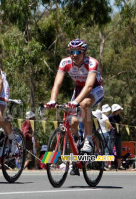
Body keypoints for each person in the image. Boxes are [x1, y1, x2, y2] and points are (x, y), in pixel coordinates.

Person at [46, 39, 104, 175]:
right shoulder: (65, 63)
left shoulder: (91, 62)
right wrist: (52, 99)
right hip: (78, 89)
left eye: (77, 52)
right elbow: (57, 84)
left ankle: (89, 140)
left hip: (95, 89)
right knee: (72, 122)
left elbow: (89, 86)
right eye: (71, 52)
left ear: (84, 53)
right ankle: (76, 156)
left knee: (84, 104)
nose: (74, 55)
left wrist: (76, 102)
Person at [108, 104, 124, 170]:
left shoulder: (118, 116)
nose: (119, 111)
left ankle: (119, 165)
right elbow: (108, 125)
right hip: (112, 135)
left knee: (119, 150)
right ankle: (109, 165)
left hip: (118, 135)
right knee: (110, 150)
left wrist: (120, 126)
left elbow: (120, 123)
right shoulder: (110, 117)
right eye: (118, 110)